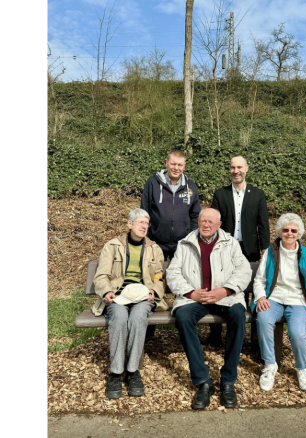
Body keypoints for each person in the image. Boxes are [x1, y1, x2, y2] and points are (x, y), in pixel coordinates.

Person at [166, 208, 253, 410]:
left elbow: (244, 270)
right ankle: (203, 380)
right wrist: (190, 293)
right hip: (195, 297)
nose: (206, 225)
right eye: (203, 221)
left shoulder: (231, 243)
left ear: (219, 225)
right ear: (198, 222)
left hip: (224, 296)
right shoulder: (185, 243)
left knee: (238, 315)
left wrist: (225, 290)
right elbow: (173, 273)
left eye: (210, 222)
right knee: (183, 317)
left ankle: (228, 380)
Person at [249, 213, 306, 392]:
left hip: (298, 300)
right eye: (285, 230)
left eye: (293, 230)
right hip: (274, 298)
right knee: (263, 320)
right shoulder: (271, 252)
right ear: (280, 231)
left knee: (297, 332)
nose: (289, 233)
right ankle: (270, 365)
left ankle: (302, 369)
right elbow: (259, 280)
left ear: (299, 233)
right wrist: (261, 297)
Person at [92, 208, 168, 399]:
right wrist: (107, 291)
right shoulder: (112, 246)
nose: (144, 226)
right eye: (141, 222)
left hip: (143, 297)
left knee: (138, 317)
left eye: (147, 223)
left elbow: (159, 277)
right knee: (119, 317)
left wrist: (154, 291)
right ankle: (116, 372)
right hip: (118, 296)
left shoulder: (154, 249)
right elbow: (101, 276)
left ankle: (133, 371)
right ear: (130, 224)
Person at [207, 155, 270, 347]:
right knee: (219, 285)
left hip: (249, 250)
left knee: (245, 290)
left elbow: (263, 225)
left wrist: (265, 250)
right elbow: (213, 223)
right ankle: (215, 332)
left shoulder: (258, 194)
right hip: (224, 248)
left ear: (246, 169)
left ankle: (243, 335)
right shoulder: (221, 194)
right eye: (233, 167)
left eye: (239, 167)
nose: (236, 171)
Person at [141, 150, 202, 261]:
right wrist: (148, 238)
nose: (176, 168)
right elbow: (145, 212)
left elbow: (195, 215)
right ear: (167, 163)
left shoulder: (191, 186)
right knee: (156, 272)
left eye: (180, 165)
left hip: (182, 244)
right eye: (173, 164)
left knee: (180, 272)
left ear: (184, 166)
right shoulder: (152, 183)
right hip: (156, 243)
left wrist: (190, 238)